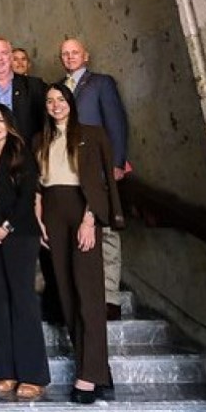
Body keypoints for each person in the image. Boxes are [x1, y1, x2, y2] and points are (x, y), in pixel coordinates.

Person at [36, 83, 124, 404]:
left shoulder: (92, 134)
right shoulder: (40, 140)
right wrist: (39, 216)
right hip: (53, 214)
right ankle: (98, 369)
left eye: (61, 99)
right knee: (67, 294)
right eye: (50, 101)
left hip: (82, 212)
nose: (56, 105)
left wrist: (90, 219)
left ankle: (89, 376)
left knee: (89, 294)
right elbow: (37, 185)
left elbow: (100, 182)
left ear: (70, 102)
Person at [0, 104, 49, 400]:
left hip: (18, 234)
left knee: (22, 301)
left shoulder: (20, 152)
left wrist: (6, 227)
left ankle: (33, 375)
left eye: (0, 120)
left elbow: (27, 196)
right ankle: (6, 371)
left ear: (10, 124)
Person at [60, 38, 131, 320]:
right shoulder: (58, 88)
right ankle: (86, 295)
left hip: (99, 167)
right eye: (65, 54)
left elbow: (116, 122)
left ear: (85, 56)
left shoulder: (101, 83)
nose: (70, 57)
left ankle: (110, 296)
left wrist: (116, 163)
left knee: (107, 231)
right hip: (69, 169)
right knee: (80, 231)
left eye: (74, 52)